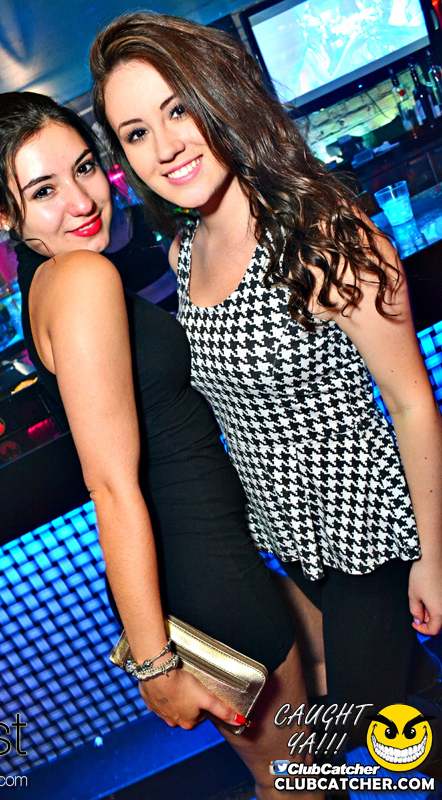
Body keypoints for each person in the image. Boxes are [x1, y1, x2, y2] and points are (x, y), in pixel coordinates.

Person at [90, 10, 442, 749]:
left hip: (372, 536)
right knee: (410, 704)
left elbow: (411, 402)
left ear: (218, 96)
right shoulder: (186, 251)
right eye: (136, 132)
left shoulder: (319, 233)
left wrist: (434, 560)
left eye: (177, 110)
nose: (165, 147)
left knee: (349, 740)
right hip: (290, 543)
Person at [0, 91, 315, 799]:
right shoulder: (82, 278)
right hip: (207, 574)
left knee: (337, 736)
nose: (81, 201)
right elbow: (110, 484)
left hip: (214, 559)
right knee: (301, 783)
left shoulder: (54, 279)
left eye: (84, 168)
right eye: (42, 191)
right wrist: (155, 666)